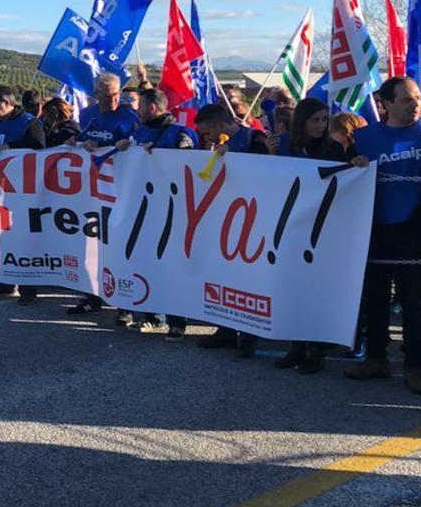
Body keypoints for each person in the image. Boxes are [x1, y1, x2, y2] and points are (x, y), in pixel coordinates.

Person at [345, 78, 421, 394]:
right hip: (374, 226)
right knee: (375, 297)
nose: (415, 105)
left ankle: (414, 366)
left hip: (415, 225)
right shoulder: (363, 138)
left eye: (417, 98)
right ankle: (376, 358)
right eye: (406, 100)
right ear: (385, 104)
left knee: (413, 301)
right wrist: (353, 164)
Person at [270, 97, 351, 373]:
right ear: (301, 122)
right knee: (293, 289)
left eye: (324, 119)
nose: (321, 125)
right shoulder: (284, 146)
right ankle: (297, 347)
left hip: (321, 229)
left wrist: (358, 163)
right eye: (315, 119)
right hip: (291, 226)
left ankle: (316, 350)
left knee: (316, 291)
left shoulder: (333, 149)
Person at [192, 102, 269, 356]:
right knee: (222, 275)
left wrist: (234, 158)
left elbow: (268, 171)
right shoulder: (220, 143)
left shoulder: (254, 139)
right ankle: (224, 330)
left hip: (252, 219)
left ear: (221, 126)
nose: (206, 138)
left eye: (208, 132)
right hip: (224, 217)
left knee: (248, 280)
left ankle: (249, 336)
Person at [67, 72, 139, 318]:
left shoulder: (130, 116)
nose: (112, 100)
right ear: (96, 95)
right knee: (89, 243)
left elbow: (137, 147)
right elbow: (83, 138)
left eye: (116, 95)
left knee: (117, 245)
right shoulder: (88, 114)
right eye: (106, 96)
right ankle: (91, 295)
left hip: (119, 191)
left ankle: (125, 306)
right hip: (91, 191)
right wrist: (77, 142)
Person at [130, 88, 198, 338]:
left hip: (174, 210)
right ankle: (152, 315)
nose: (136, 110)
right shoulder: (138, 131)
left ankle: (177, 320)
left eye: (140, 106)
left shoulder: (180, 133)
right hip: (142, 208)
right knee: (147, 261)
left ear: (151, 108)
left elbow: (189, 166)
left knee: (172, 264)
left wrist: (158, 154)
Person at [0, 84, 46, 304]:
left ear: (7, 103)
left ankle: (27, 285)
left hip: (21, 192)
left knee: (21, 236)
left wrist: (8, 146)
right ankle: (2, 279)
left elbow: (38, 145)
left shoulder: (29, 123)